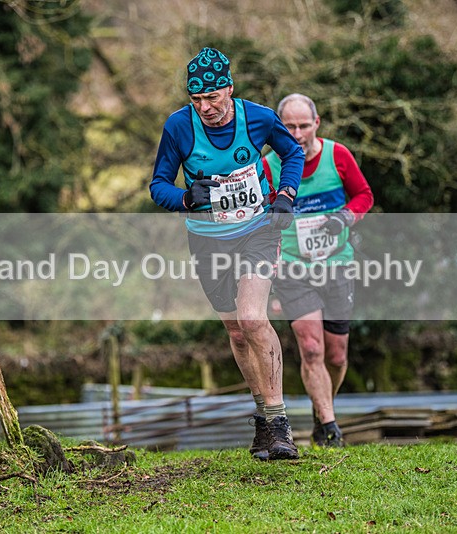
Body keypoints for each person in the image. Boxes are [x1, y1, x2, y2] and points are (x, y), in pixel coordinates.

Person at [150, 47, 305, 460]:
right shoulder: (179, 127)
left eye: (213, 98)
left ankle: (279, 422)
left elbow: (293, 152)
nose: (205, 108)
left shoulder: (259, 117)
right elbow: (158, 185)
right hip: (207, 238)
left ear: (229, 90)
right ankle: (263, 423)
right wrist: (185, 197)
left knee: (253, 317)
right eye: (197, 100)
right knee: (235, 329)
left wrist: (287, 194)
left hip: (256, 230)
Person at [263, 93, 373, 447]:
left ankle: (321, 406)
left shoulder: (337, 155)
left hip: (337, 264)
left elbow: (364, 196)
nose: (297, 133)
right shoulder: (269, 167)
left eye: (304, 125)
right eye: (290, 126)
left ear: (317, 124)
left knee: (337, 354)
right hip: (293, 269)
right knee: (311, 349)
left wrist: (344, 217)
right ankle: (329, 427)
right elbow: (263, 218)